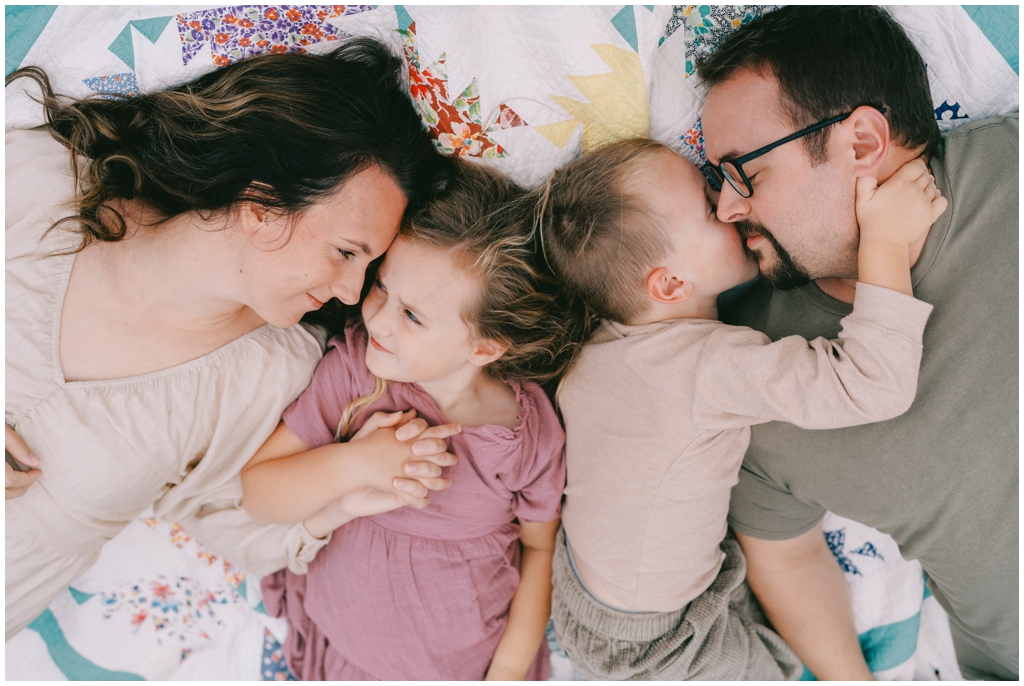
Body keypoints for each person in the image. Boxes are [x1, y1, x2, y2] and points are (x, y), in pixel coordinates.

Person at [4, 38, 460, 640]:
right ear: (262, 200)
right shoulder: (36, 185)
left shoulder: (271, 370)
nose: (353, 294)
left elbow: (233, 519)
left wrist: (346, 485)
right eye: (346, 253)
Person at [538, 135, 945, 679]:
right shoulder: (706, 367)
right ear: (671, 283)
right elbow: (873, 384)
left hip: (585, 593)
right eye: (710, 205)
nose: (732, 201)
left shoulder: (596, 348)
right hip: (659, 642)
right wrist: (886, 243)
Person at [697, 5, 1019, 680]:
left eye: (743, 174)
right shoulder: (756, 372)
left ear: (863, 144)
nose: (726, 210)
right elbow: (784, 555)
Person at [242, 162, 587, 680]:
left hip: (466, 665)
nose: (375, 316)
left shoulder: (526, 432)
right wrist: (357, 463)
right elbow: (258, 494)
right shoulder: (358, 376)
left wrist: (509, 670)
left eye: (413, 316)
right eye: (382, 287)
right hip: (346, 654)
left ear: (485, 346)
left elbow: (539, 550)